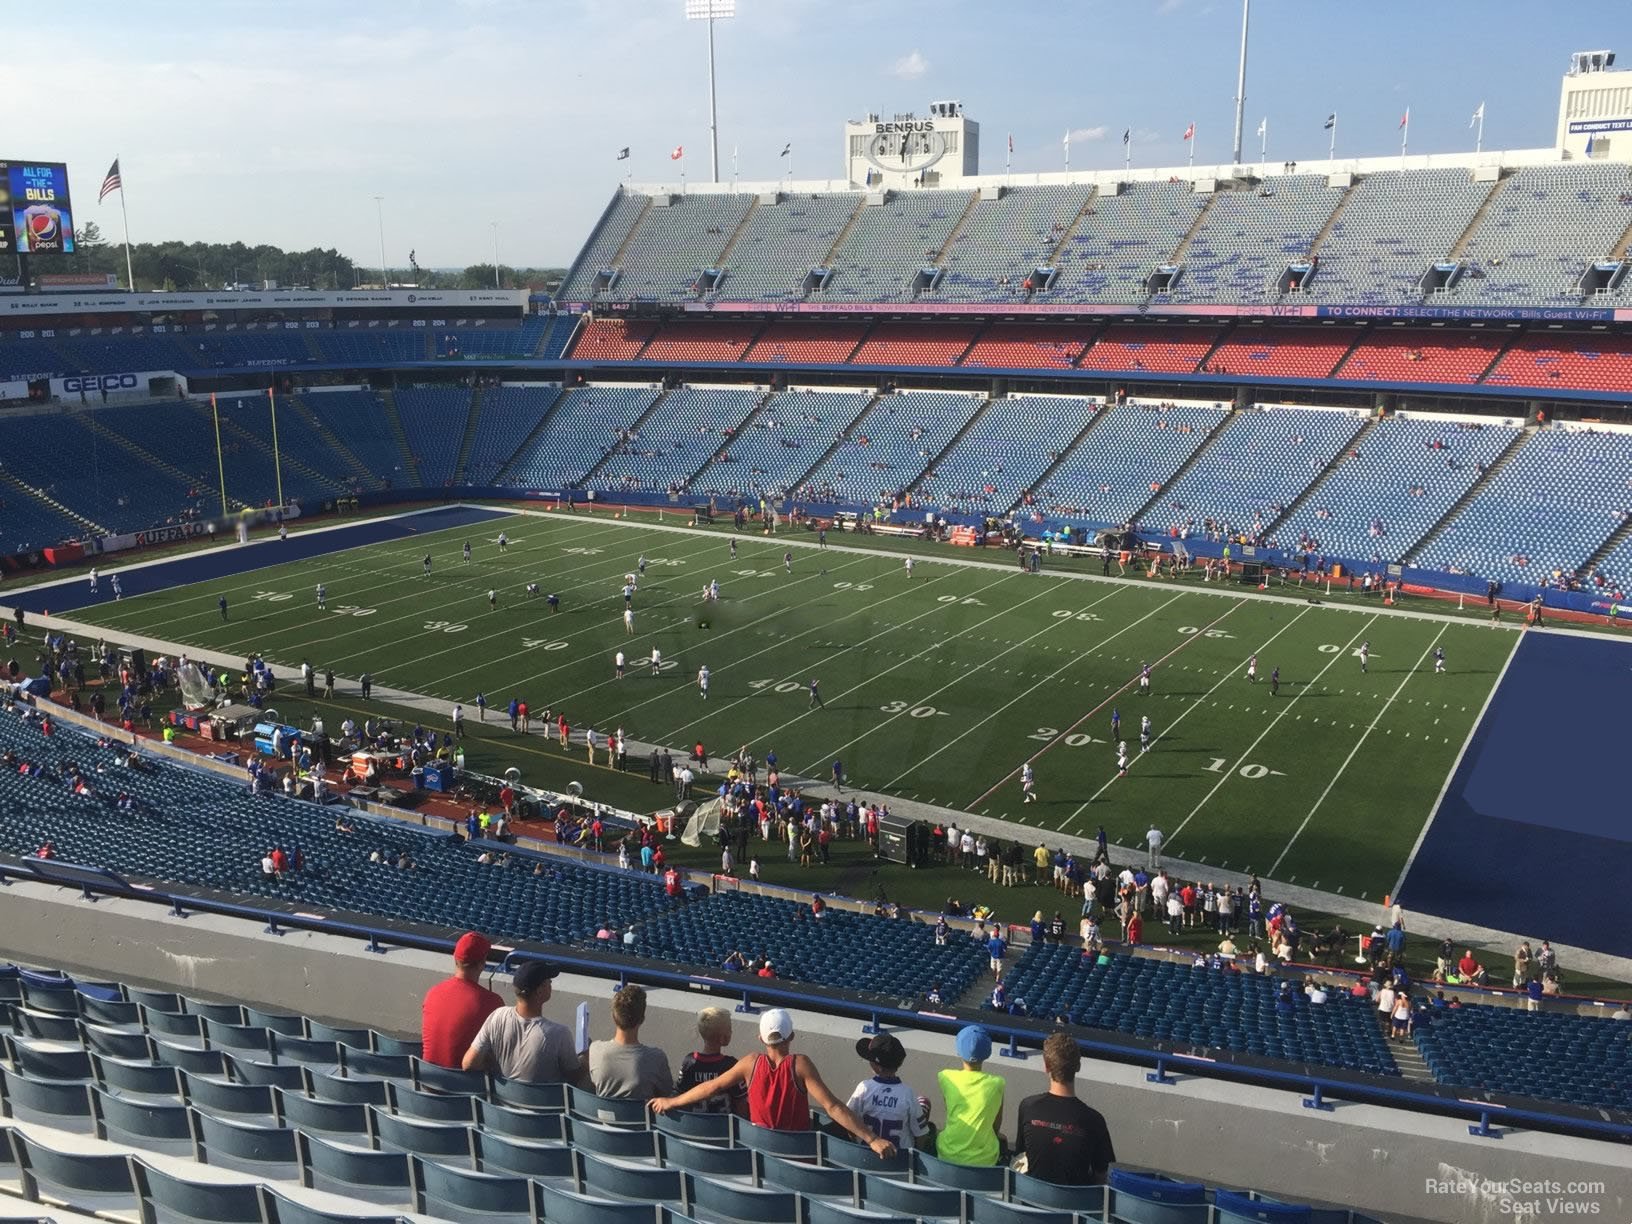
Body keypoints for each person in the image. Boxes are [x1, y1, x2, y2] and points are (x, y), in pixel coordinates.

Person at [649, 1008, 897, 1159]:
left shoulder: (749, 1063)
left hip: (760, 1151)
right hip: (798, 1154)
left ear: (760, 1038)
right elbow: (833, 1107)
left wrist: (672, 1101)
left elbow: (711, 1087)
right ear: (791, 1036)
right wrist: (872, 1139)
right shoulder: (800, 1064)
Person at [461, 960, 586, 1085]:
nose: (551, 984)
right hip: (544, 1105)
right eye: (549, 981)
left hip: (498, 1103)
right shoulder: (560, 1033)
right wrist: (585, 1058)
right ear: (540, 991)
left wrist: (494, 1066)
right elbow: (576, 1077)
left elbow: (468, 1063)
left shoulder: (497, 1016)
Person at [1016, 1032, 1115, 1184]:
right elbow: (1101, 1176)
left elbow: (1022, 1153)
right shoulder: (1095, 1120)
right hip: (1075, 1205)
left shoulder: (1028, 1107)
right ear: (1078, 1066)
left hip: (1031, 1202)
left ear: (1047, 1067)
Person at [421, 931, 503, 1068]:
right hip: (467, 1086)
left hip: (429, 1081)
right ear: (482, 963)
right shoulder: (493, 1002)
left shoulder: (433, 992)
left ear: (455, 958)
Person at [847, 1034, 931, 1152]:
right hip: (900, 1162)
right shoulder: (907, 1093)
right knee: (924, 1101)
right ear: (899, 1064)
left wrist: (854, 1142)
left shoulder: (863, 1088)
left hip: (866, 1156)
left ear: (876, 1066)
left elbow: (847, 1120)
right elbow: (921, 1134)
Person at [588, 985, 673, 1101]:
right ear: (642, 1019)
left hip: (603, 1119)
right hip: (642, 1119)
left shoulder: (594, 1050)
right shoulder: (657, 1058)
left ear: (613, 1016)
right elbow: (666, 1093)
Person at [937, 1025, 1004, 1167]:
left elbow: (949, 1109)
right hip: (985, 1161)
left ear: (958, 1050)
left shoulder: (945, 1077)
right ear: (988, 1052)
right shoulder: (997, 1083)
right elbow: (996, 1124)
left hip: (947, 1154)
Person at [674, 1008, 749, 1117]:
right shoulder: (731, 1065)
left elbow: (679, 1094)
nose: (731, 1031)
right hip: (725, 1129)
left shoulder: (689, 1062)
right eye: (729, 1029)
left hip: (696, 1127)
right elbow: (742, 1104)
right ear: (723, 1037)